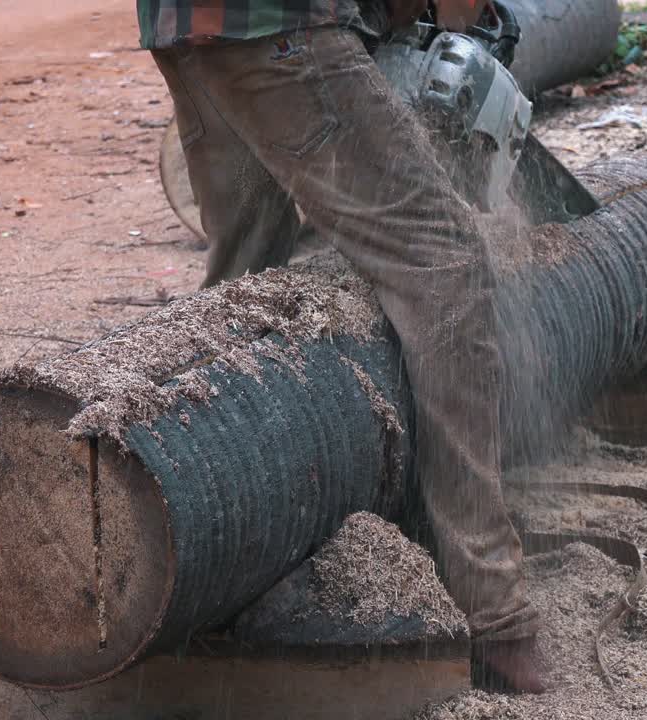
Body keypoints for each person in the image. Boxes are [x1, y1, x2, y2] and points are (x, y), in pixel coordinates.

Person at [137, 0, 545, 692]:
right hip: (283, 22)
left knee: (248, 272)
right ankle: (494, 609)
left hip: (189, 22)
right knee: (443, 263)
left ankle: (195, 541)